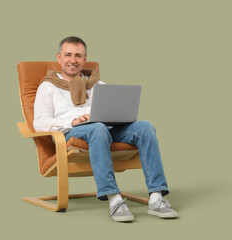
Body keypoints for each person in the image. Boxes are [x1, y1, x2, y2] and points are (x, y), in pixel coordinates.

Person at [33, 36, 178, 222]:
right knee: (97, 128)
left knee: (145, 127)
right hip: (74, 132)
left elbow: (112, 110)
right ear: (59, 57)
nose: (73, 60)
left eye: (78, 55)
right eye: (68, 55)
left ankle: (156, 198)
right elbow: (40, 122)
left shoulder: (97, 83)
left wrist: (114, 117)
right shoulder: (48, 86)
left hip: (107, 128)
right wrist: (74, 121)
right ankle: (114, 199)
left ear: (85, 59)